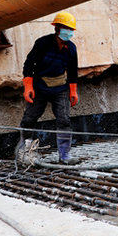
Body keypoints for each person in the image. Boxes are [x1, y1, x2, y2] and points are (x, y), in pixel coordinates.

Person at [18, 11, 80, 165]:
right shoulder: (43, 43)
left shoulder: (71, 48)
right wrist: (28, 87)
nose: (69, 32)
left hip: (60, 88)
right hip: (40, 86)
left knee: (64, 120)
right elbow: (29, 65)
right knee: (29, 119)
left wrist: (73, 91)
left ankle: (64, 155)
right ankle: (26, 152)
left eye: (71, 29)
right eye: (66, 28)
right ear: (57, 28)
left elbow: (72, 71)